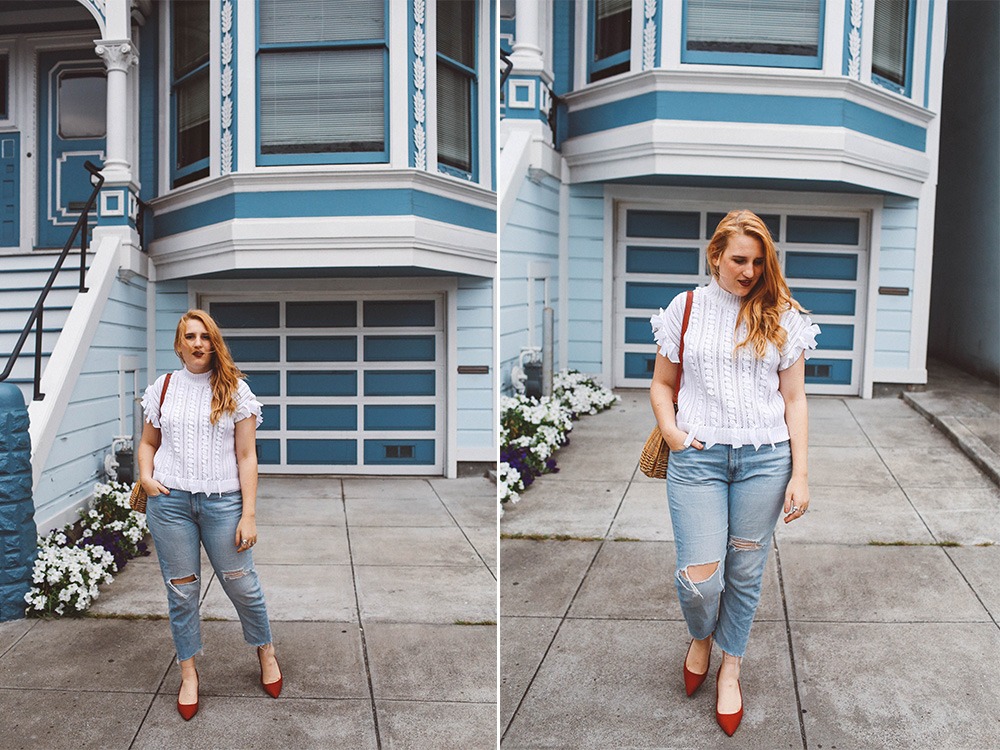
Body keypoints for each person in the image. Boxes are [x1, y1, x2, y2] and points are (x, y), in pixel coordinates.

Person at [649, 210, 819, 736]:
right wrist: (673, 434)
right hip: (697, 459)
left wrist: (801, 474)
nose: (749, 271)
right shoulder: (686, 308)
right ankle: (701, 636)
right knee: (700, 581)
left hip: (765, 462)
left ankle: (731, 668)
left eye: (759, 262)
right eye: (740, 260)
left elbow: (795, 399)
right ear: (716, 255)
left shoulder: (783, 315)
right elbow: (662, 384)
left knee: (744, 573)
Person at [137, 309, 282, 720]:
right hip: (170, 504)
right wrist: (146, 478)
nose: (197, 343)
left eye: (204, 336)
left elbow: (247, 456)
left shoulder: (235, 390)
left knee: (242, 584)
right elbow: (148, 443)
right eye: (190, 336)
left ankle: (266, 651)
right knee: (182, 592)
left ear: (214, 343)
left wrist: (248, 514)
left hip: (223, 504)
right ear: (179, 344)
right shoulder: (163, 388)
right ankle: (188, 674)